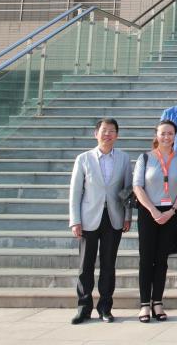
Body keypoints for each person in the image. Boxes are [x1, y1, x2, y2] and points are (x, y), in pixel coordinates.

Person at [68, 118, 132, 325]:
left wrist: (128, 217)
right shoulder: (84, 158)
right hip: (89, 217)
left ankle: (105, 307)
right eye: (104, 130)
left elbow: (128, 190)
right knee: (85, 265)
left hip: (113, 217)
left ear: (117, 135)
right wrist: (75, 220)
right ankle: (83, 308)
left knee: (108, 265)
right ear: (96, 134)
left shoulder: (124, 158)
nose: (107, 134)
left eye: (112, 131)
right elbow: (75, 192)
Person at [133, 121, 177, 322]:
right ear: (156, 135)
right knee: (146, 259)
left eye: (170, 133)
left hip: (170, 213)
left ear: (175, 136)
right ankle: (144, 304)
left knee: (162, 260)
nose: (166, 137)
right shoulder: (145, 158)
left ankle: (157, 302)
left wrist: (172, 210)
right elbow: (137, 187)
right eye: (163, 133)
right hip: (148, 211)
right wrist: (153, 210)